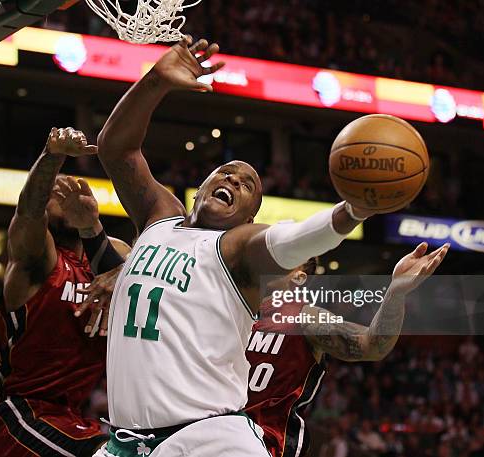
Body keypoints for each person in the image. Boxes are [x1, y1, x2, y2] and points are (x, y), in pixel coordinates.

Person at [88, 35, 405, 457]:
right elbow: (116, 148)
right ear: (200, 188)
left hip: (210, 442)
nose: (233, 180)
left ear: (249, 218)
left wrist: (352, 212)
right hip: (129, 443)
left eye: (247, 185)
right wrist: (155, 82)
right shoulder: (159, 217)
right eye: (226, 173)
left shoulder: (237, 249)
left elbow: (293, 239)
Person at [79, 242, 448, 457]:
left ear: (299, 275)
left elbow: (371, 345)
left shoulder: (302, 316)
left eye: (287, 254)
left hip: (257, 446)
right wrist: (118, 271)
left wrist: (395, 294)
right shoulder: (213, 300)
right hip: (182, 437)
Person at [0, 127, 128, 457]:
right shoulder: (37, 260)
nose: (60, 197)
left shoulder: (110, 252)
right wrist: (53, 157)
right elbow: (28, 211)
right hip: (21, 414)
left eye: (69, 191)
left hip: (74, 417)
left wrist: (97, 234)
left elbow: (151, 273)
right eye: (53, 193)